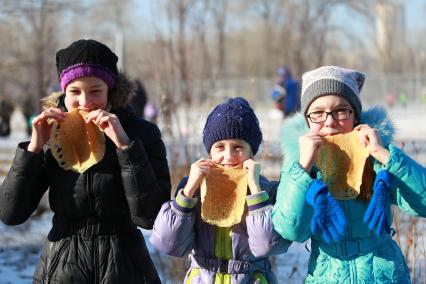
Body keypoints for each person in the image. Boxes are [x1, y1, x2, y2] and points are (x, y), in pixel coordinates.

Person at [0, 39, 171, 283]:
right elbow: (10, 214)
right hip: (62, 266)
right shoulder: (52, 133)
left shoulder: (141, 134)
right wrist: (34, 148)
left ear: (110, 90)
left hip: (125, 267)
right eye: (75, 92)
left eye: (95, 91)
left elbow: (150, 216)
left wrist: (125, 146)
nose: (84, 101)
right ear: (64, 92)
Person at [271, 65, 426, 283]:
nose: (330, 121)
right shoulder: (301, 164)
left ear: (355, 116)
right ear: (307, 120)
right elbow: (291, 230)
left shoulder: (376, 156)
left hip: (385, 275)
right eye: (317, 113)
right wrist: (303, 168)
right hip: (327, 275)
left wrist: (384, 155)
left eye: (341, 110)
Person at [150, 97, 291, 283]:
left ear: (251, 152)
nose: (228, 156)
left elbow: (268, 246)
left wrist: (255, 191)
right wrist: (189, 191)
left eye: (238, 147)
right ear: (210, 152)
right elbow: (168, 243)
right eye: (220, 147)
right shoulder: (194, 189)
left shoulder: (266, 191)